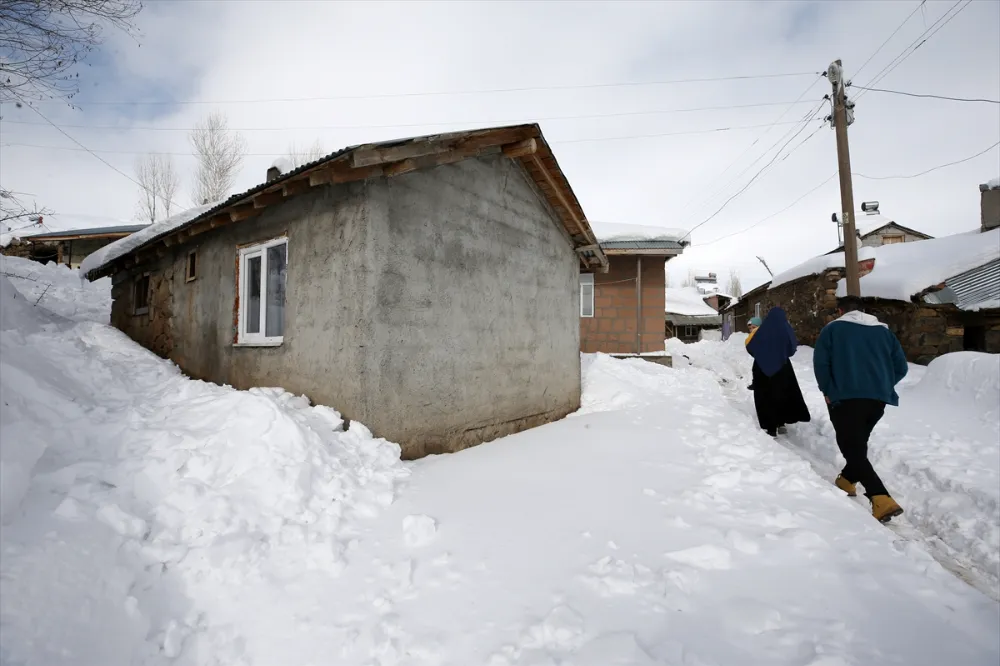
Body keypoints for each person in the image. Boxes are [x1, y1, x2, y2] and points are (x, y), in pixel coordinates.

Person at [813, 296, 908, 523]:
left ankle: (880, 497)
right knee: (857, 442)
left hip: (844, 398)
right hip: (877, 400)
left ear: (840, 310)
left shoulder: (833, 330)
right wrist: (883, 384)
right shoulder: (884, 332)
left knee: (851, 446)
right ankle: (846, 480)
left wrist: (827, 390)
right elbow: (901, 367)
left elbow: (821, 363)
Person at [745, 308, 811, 437]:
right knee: (781, 394)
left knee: (765, 396)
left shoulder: (762, 330)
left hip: (761, 367)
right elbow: (792, 347)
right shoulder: (786, 329)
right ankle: (781, 423)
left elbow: (750, 347)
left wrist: (761, 356)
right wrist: (782, 354)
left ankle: (770, 428)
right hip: (782, 367)